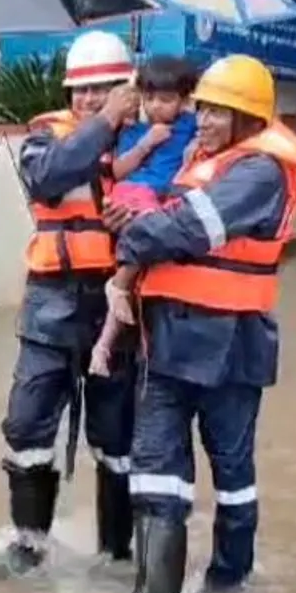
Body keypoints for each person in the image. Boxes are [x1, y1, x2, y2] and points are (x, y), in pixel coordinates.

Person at [105, 55, 296, 593]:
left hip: (231, 348)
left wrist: (134, 232)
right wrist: (140, 226)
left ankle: (227, 590)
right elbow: (163, 222)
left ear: (249, 119)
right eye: (202, 110)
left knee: (232, 474)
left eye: (219, 112)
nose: (204, 121)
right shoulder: (199, 161)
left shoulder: (261, 172)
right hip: (166, 344)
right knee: (155, 475)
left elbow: (186, 228)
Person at [0, 30, 143, 580]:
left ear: (126, 89)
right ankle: (30, 543)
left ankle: (117, 555)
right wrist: (106, 122)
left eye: (102, 89)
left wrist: (137, 222)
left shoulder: (149, 147)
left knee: (118, 437)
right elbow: (48, 177)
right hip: (51, 304)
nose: (89, 99)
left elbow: (175, 212)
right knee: (27, 423)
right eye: (80, 89)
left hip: (117, 303)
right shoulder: (44, 138)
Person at [88, 56, 198, 378]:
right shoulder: (134, 131)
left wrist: (192, 150)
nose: (156, 106)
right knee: (146, 239)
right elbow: (118, 171)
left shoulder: (191, 126)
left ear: (184, 100)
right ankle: (116, 290)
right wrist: (146, 145)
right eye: (149, 98)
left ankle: (103, 347)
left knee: (140, 258)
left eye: (166, 99)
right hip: (134, 195)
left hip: (160, 202)